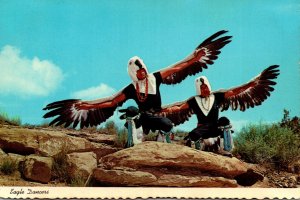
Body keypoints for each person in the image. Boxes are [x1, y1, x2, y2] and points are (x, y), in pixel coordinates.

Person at [43, 30, 232, 136]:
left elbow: (178, 67)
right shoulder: (132, 88)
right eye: (139, 71)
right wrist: (84, 105)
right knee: (135, 117)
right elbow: (111, 102)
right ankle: (134, 137)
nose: (143, 72)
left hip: (157, 115)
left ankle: (160, 139)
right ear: (134, 72)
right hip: (142, 117)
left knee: (166, 125)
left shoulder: (156, 77)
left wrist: (195, 57)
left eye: (143, 69)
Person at [156, 65, 280, 155]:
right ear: (199, 89)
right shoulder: (194, 101)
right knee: (193, 135)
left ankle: (226, 150)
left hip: (215, 127)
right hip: (202, 128)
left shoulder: (217, 96)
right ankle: (199, 151)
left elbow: (235, 91)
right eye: (203, 87)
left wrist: (251, 85)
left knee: (224, 120)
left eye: (207, 86)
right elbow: (178, 108)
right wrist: (160, 111)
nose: (206, 89)